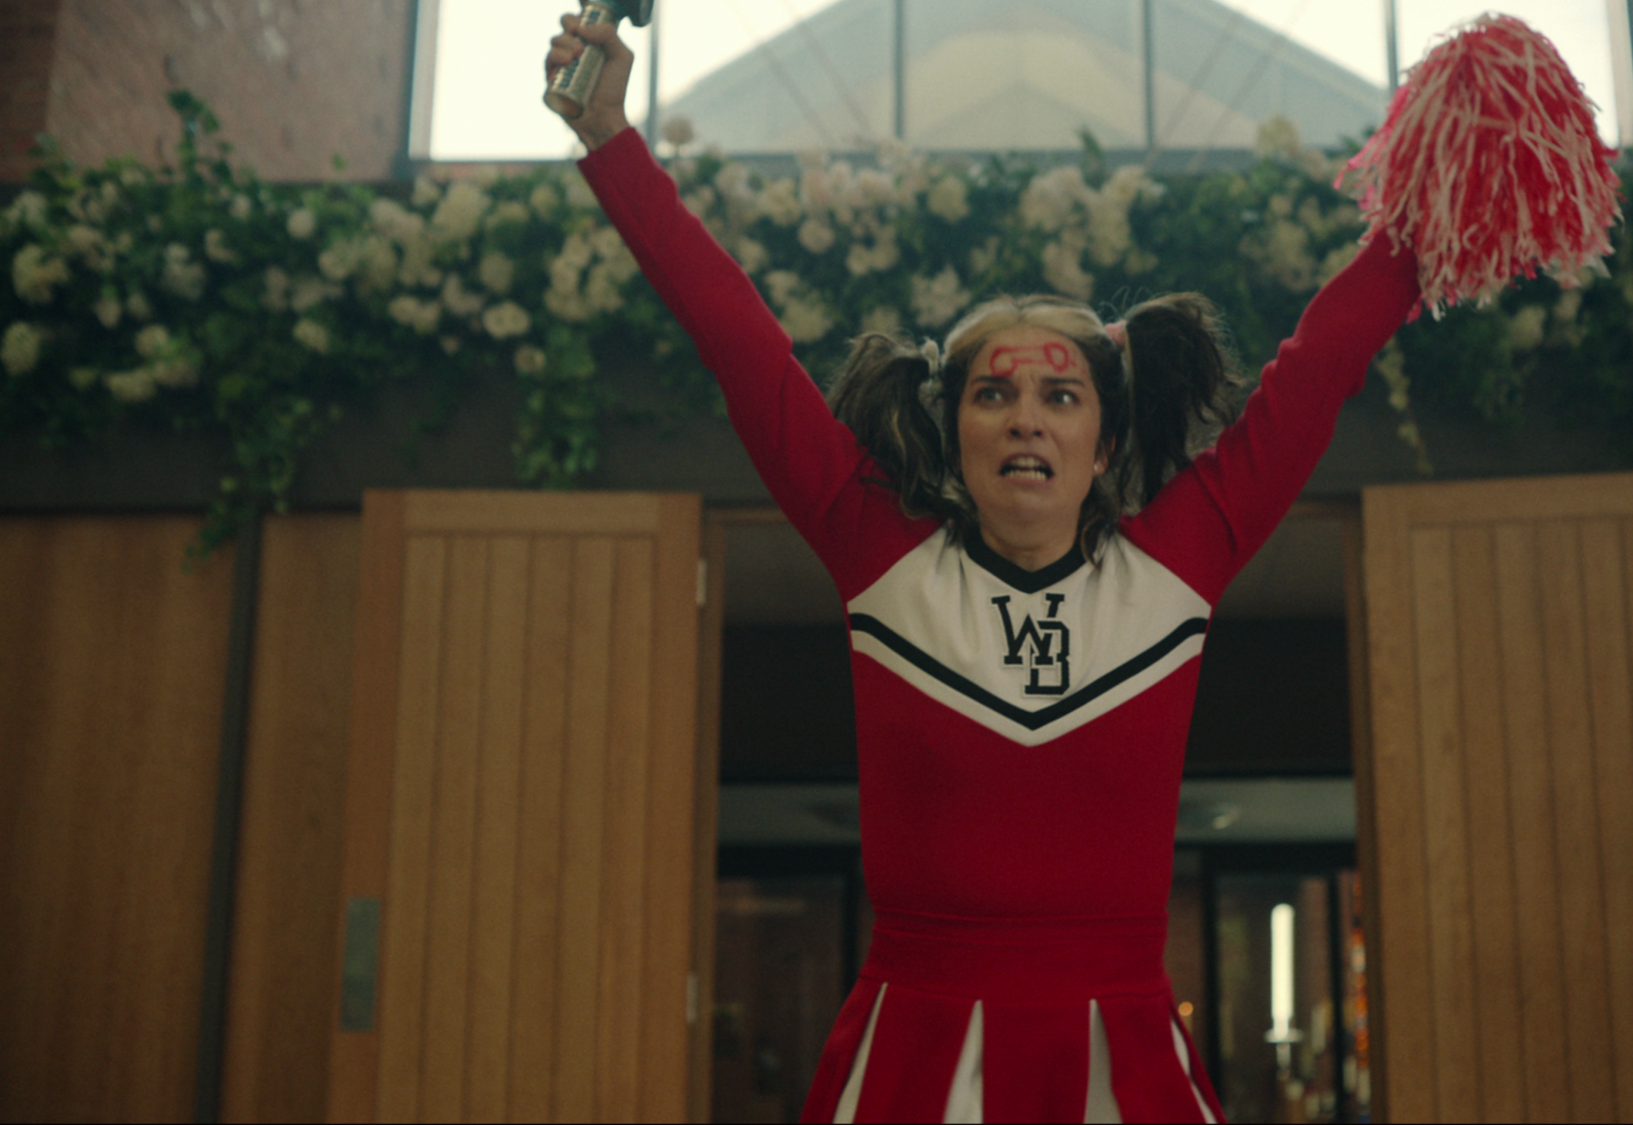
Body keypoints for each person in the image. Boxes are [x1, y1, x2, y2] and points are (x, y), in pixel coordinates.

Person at [547, 15, 1417, 1124]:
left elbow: (1318, 367)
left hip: (1125, 1057)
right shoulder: (882, 561)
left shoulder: (1176, 567)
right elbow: (737, 339)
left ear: (1102, 444)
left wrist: (1436, 200)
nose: (1025, 422)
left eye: (1061, 398)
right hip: (911, 1055)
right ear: (951, 430)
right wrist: (609, 138)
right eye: (992, 395)